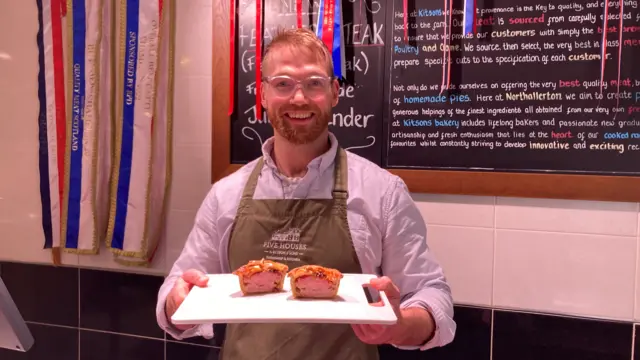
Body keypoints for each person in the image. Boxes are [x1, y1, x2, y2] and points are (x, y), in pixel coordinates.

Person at [156, 27, 456, 360]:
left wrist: (401, 325)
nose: (299, 98)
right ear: (264, 94)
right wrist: (176, 300)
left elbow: (432, 295)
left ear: (334, 92)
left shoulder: (382, 192)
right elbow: (175, 294)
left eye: (314, 83)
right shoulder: (225, 195)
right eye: (283, 84)